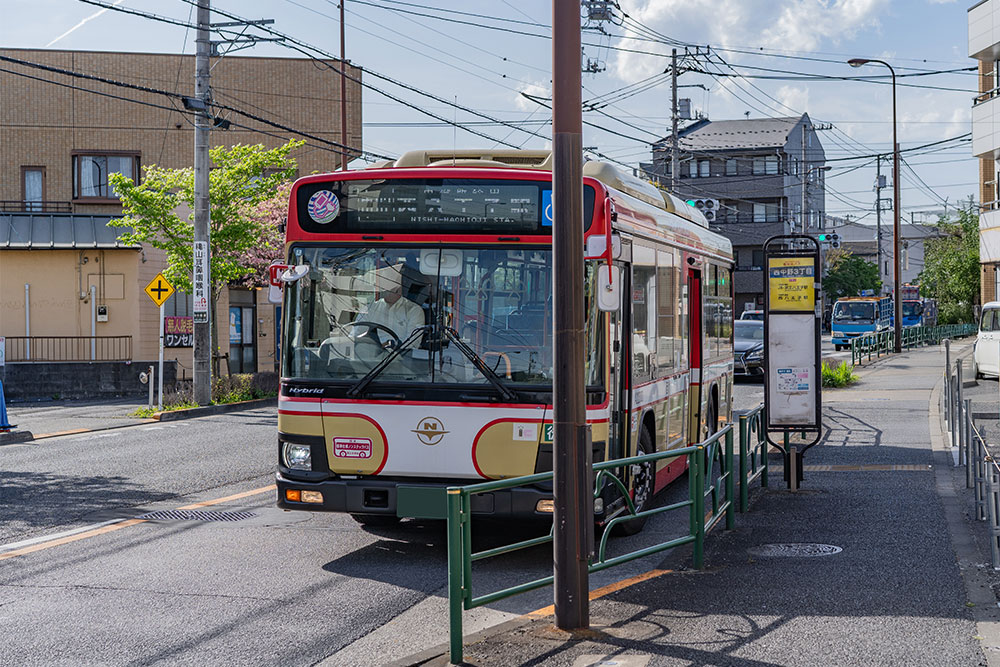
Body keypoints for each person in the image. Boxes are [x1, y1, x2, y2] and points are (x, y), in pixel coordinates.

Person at [353, 267, 425, 345]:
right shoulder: (370, 308)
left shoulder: (414, 311)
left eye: (387, 286)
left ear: (398, 287)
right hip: (370, 354)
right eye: (382, 286)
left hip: (399, 356)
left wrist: (388, 346)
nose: (383, 290)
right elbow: (354, 336)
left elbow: (413, 344)